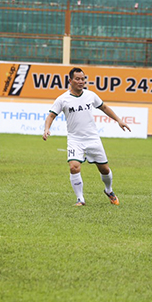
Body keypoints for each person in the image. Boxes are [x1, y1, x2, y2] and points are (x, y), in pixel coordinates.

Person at [42, 67, 130, 207]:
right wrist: (47, 129)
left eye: (83, 78)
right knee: (74, 167)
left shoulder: (91, 95)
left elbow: (104, 108)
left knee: (104, 169)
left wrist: (119, 120)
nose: (81, 81)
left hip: (92, 138)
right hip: (75, 140)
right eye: (77, 79)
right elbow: (51, 115)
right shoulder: (62, 99)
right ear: (70, 80)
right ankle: (80, 199)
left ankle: (109, 190)